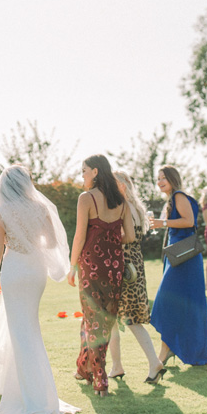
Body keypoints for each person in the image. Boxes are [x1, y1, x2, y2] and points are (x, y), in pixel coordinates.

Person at [0, 165, 80, 414]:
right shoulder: (41, 208)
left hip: (13, 270)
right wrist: (33, 244)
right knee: (29, 329)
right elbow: (53, 243)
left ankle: (28, 396)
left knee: (19, 330)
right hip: (35, 272)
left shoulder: (2, 210)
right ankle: (34, 392)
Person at [68, 154, 136, 396]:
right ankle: (84, 368)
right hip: (114, 267)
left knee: (93, 320)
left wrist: (72, 265)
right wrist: (111, 235)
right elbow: (130, 236)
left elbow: (79, 236)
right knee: (103, 322)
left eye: (84, 170)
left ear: (95, 172)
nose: (82, 175)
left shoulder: (86, 198)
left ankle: (100, 378)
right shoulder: (122, 202)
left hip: (91, 266)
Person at [149, 165, 207, 373]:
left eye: (163, 178)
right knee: (176, 305)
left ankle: (168, 352)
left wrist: (161, 222)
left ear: (173, 179)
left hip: (185, 258)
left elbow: (189, 222)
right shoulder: (172, 199)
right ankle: (168, 350)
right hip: (177, 256)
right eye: (158, 178)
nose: (159, 182)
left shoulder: (179, 196)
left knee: (165, 303)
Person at [105, 171, 162, 382]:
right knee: (124, 318)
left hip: (123, 264)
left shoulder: (121, 206)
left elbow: (125, 237)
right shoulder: (137, 206)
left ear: (119, 185)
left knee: (125, 318)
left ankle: (152, 361)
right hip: (135, 263)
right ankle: (117, 365)